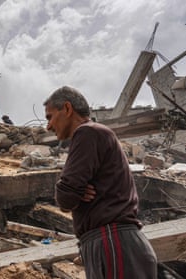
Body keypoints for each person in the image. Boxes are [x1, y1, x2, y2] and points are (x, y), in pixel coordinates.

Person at [43, 86, 157, 278]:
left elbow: (66, 197)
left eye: (50, 117)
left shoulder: (88, 133)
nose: (48, 126)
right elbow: (69, 193)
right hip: (113, 244)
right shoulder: (95, 134)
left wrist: (72, 191)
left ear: (68, 109)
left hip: (113, 242)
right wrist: (74, 190)